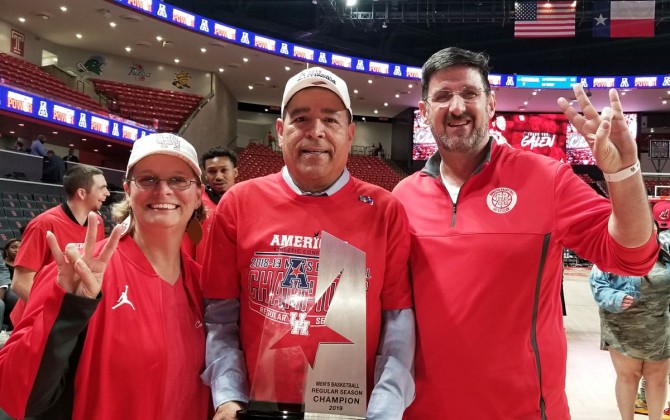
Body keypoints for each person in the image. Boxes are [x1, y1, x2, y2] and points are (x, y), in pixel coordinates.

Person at [392, 47, 658, 419]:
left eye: (469, 93)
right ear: (423, 112)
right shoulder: (402, 198)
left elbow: (634, 256)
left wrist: (624, 172)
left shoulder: (546, 178)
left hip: (524, 411)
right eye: (442, 96)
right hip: (422, 410)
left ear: (491, 104)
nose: (456, 107)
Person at [201, 67, 414, 420]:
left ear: (349, 133)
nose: (315, 132)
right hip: (256, 408)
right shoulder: (238, 203)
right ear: (281, 132)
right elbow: (220, 319)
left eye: (330, 120)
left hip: (350, 412)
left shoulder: (385, 210)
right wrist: (227, 396)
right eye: (301, 118)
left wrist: (386, 408)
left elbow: (398, 324)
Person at [0, 133, 210, 419]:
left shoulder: (203, 284)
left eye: (178, 180)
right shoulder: (81, 272)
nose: (163, 190)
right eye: (147, 179)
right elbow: (15, 395)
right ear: (128, 190)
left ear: (198, 195)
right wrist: (67, 309)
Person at [10, 164, 109, 324]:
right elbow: (20, 283)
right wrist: (56, 314)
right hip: (38, 318)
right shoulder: (43, 224)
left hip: (73, 314)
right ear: (82, 193)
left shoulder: (96, 222)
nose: (107, 193)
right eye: (102, 188)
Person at [589, 234, 670, 420]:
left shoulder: (665, 251)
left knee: (658, 378)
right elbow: (598, 285)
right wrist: (616, 298)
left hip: (659, 325)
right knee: (628, 377)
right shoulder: (609, 254)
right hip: (622, 327)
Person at [194, 147, 238, 264]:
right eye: (212, 171)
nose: (218, 176)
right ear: (206, 175)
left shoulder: (247, 203)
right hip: (200, 276)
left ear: (235, 172)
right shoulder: (195, 202)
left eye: (224, 170)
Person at [1, 239, 20, 331]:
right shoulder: (4, 263)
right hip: (8, 287)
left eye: (20, 248)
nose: (17, 250)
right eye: (13, 247)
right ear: (6, 250)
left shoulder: (23, 264)